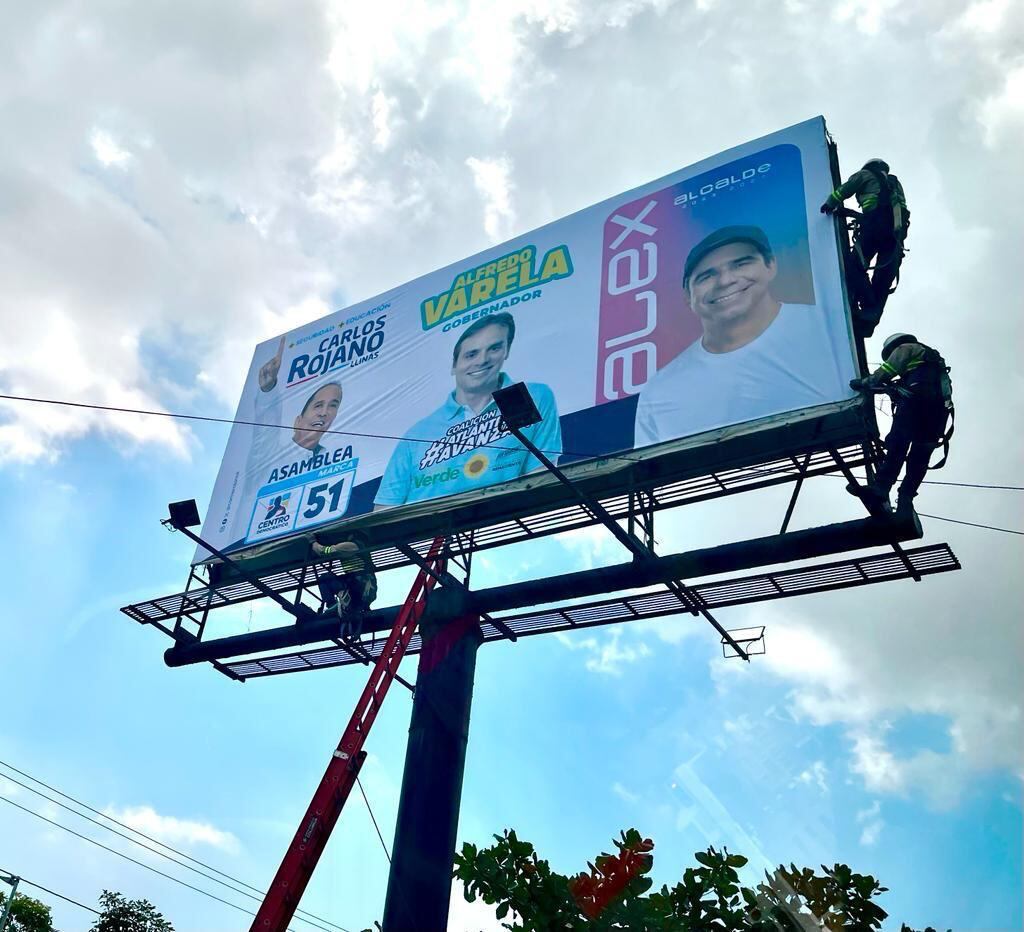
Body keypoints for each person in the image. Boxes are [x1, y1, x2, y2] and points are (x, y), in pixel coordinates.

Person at [634, 225, 849, 447]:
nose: (725, 281)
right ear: (688, 296)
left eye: (741, 264)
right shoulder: (660, 389)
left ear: (771, 265)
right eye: (707, 276)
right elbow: (646, 464)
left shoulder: (828, 328)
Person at [374, 312, 561, 507]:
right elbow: (384, 510)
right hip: (430, 525)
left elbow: (542, 479)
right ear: (454, 365)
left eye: (494, 348)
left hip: (506, 517)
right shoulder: (417, 434)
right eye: (471, 354)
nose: (482, 360)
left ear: (506, 351)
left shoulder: (531, 396)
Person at [847, 332, 953, 517]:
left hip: (915, 403)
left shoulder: (906, 348)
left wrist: (864, 383)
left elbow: (887, 371)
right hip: (938, 414)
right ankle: (906, 499)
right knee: (919, 457)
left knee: (898, 444)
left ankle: (880, 488)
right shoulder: (933, 361)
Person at [821, 158, 908, 337]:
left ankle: (867, 304)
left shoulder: (865, 175)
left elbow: (845, 189)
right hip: (895, 236)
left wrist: (830, 203)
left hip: (874, 227)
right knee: (883, 279)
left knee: (853, 265)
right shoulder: (895, 184)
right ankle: (869, 318)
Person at [311, 533, 378, 639]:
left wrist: (313, 542)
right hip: (363, 591)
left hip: (357, 588)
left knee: (324, 578)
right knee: (339, 579)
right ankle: (345, 606)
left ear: (351, 536)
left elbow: (325, 551)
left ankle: (332, 605)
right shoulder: (362, 550)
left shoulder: (350, 546)